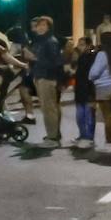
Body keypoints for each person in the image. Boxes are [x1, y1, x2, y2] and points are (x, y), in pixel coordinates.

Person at [26, 16, 64, 146]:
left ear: (49, 27)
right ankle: (53, 134)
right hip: (41, 76)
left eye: (43, 25)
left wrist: (34, 58)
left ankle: (52, 138)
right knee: (49, 108)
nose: (40, 27)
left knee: (49, 108)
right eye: (38, 25)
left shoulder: (50, 41)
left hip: (47, 78)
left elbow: (55, 62)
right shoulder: (40, 41)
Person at [89, 31, 111, 152]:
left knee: (108, 117)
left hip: (103, 87)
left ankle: (108, 144)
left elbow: (94, 73)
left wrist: (90, 76)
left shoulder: (102, 55)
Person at [71, 37, 97, 148]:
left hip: (89, 90)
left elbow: (91, 74)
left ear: (89, 45)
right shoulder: (80, 57)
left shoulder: (92, 57)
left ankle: (89, 137)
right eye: (79, 44)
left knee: (88, 115)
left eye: (82, 44)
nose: (79, 46)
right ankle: (82, 135)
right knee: (80, 115)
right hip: (80, 89)